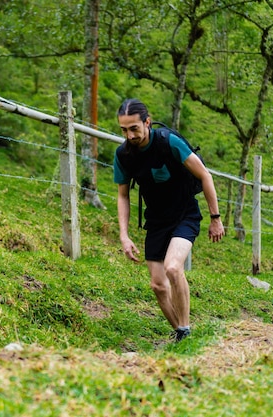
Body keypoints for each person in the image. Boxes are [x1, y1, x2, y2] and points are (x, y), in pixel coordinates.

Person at [113, 98, 225, 342]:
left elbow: (204, 175)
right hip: (155, 220)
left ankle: (184, 329)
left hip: (185, 214)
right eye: (124, 130)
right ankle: (182, 333)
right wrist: (124, 235)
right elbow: (123, 196)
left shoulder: (168, 142)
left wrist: (215, 218)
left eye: (134, 128)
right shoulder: (124, 155)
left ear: (147, 123)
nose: (130, 135)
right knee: (158, 285)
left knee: (173, 268)